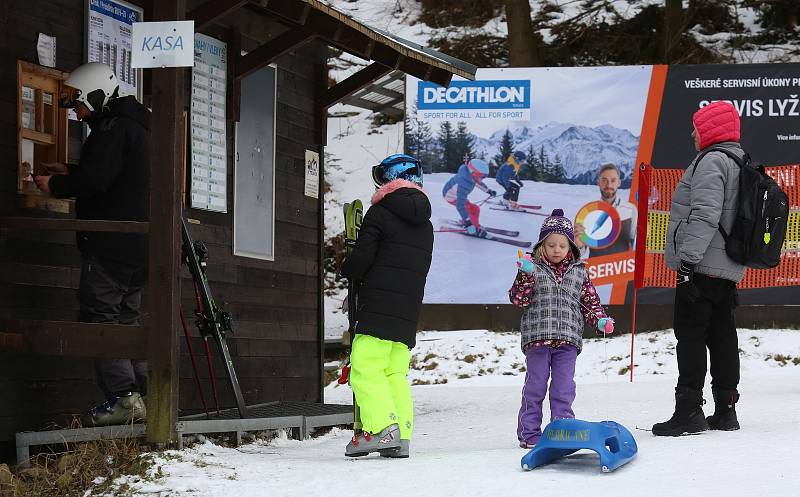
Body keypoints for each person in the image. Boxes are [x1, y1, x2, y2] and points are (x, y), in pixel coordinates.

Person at [34, 62, 151, 426]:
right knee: (126, 318)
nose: (77, 112)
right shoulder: (142, 125)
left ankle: (122, 398)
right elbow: (114, 175)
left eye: (80, 104)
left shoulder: (112, 128)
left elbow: (97, 180)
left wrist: (55, 187)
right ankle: (143, 396)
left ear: (98, 96)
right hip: (143, 246)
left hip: (110, 244)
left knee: (100, 316)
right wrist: (71, 170)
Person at [652, 100, 745, 436]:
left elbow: (705, 215)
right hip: (729, 266)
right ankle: (726, 410)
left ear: (710, 129)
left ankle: (689, 410)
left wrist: (687, 262)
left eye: (697, 127)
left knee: (690, 336)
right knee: (722, 337)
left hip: (703, 264)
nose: (692, 133)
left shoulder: (711, 161)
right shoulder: (739, 160)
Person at [341, 154, 434, 458]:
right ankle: (401, 434)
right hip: (407, 311)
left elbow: (363, 259)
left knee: (366, 366)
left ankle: (381, 429)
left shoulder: (379, 213)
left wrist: (348, 267)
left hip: (378, 304)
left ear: (388, 179)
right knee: (394, 372)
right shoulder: (426, 224)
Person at [509, 209, 614, 448]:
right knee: (535, 387)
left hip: (567, 340)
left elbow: (590, 303)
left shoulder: (579, 272)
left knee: (564, 388)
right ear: (542, 245)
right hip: (538, 339)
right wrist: (524, 276)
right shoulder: (532, 268)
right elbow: (519, 300)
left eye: (562, 246)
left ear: (570, 248)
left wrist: (600, 321)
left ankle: (562, 429)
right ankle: (529, 433)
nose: (557, 250)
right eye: (551, 245)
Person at [574, 163, 637, 257]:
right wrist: (579, 245)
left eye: (613, 180)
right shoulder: (588, 212)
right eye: (604, 180)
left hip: (622, 268)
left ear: (619, 183)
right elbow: (579, 253)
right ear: (598, 182)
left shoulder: (630, 210)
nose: (609, 185)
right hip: (597, 268)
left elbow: (634, 243)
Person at [441, 158, 497, 237]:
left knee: (473, 208)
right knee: (473, 209)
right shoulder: (463, 184)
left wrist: (488, 191)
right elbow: (460, 205)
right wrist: (467, 222)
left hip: (454, 193)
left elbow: (478, 183)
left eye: (484, 177)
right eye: (481, 176)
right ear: (473, 173)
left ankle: (474, 224)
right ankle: (473, 229)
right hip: (451, 196)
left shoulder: (469, 175)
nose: (482, 179)